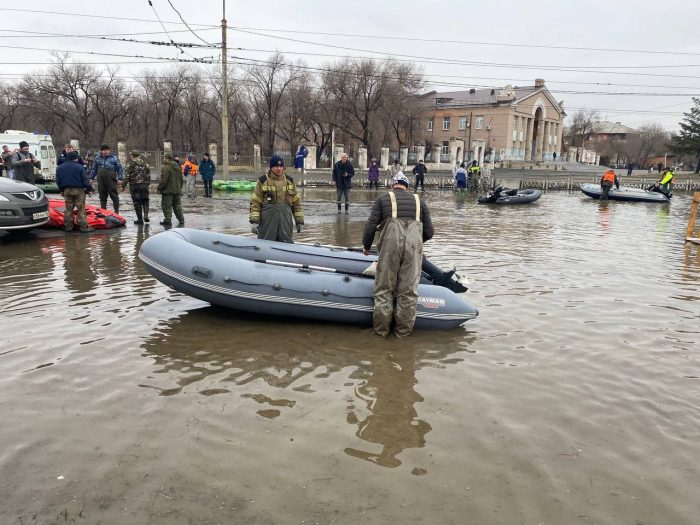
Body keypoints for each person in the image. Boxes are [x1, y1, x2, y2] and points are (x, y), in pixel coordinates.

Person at [362, 172, 434, 338]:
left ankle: (381, 333)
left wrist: (366, 246)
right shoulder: (420, 202)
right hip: (413, 250)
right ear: (407, 187)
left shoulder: (383, 200)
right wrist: (415, 242)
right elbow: (429, 232)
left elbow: (370, 225)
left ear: (392, 185)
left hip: (390, 249)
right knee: (408, 292)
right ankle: (402, 335)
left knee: (384, 290)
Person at [249, 155, 303, 243]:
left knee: (286, 244)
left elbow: (297, 203)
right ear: (271, 167)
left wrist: (299, 221)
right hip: (267, 223)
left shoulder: (290, 181)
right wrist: (254, 222)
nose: (279, 169)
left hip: (285, 222)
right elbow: (255, 203)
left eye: (281, 166)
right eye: (277, 166)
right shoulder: (262, 181)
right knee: (265, 244)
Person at [56, 151, 94, 233]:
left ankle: (68, 227)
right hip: (79, 190)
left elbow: (58, 181)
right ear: (76, 158)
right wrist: (90, 189)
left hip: (66, 190)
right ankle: (84, 227)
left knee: (68, 209)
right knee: (81, 209)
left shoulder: (59, 168)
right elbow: (85, 180)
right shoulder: (80, 167)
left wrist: (61, 190)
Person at [90, 144, 124, 213]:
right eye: (104, 150)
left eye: (107, 150)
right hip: (101, 181)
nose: (106, 152)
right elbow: (94, 169)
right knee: (102, 197)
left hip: (111, 181)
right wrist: (91, 178)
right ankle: (103, 212)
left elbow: (120, 168)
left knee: (114, 196)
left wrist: (120, 178)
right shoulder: (97, 158)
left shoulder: (114, 158)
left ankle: (116, 212)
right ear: (101, 151)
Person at [122, 150, 151, 225]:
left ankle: (140, 219)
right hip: (145, 185)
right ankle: (146, 215)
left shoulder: (129, 164)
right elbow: (149, 175)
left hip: (135, 186)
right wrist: (147, 184)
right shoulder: (145, 164)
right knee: (145, 200)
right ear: (139, 155)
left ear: (132, 156)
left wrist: (123, 186)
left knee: (137, 202)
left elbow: (126, 177)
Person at [157, 154, 184, 227]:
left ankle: (167, 220)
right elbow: (181, 180)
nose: (163, 159)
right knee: (177, 206)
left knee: (167, 206)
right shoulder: (177, 167)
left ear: (167, 159)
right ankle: (181, 219)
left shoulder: (166, 168)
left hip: (168, 191)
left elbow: (164, 180)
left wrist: (159, 188)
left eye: (164, 158)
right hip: (177, 190)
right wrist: (179, 188)